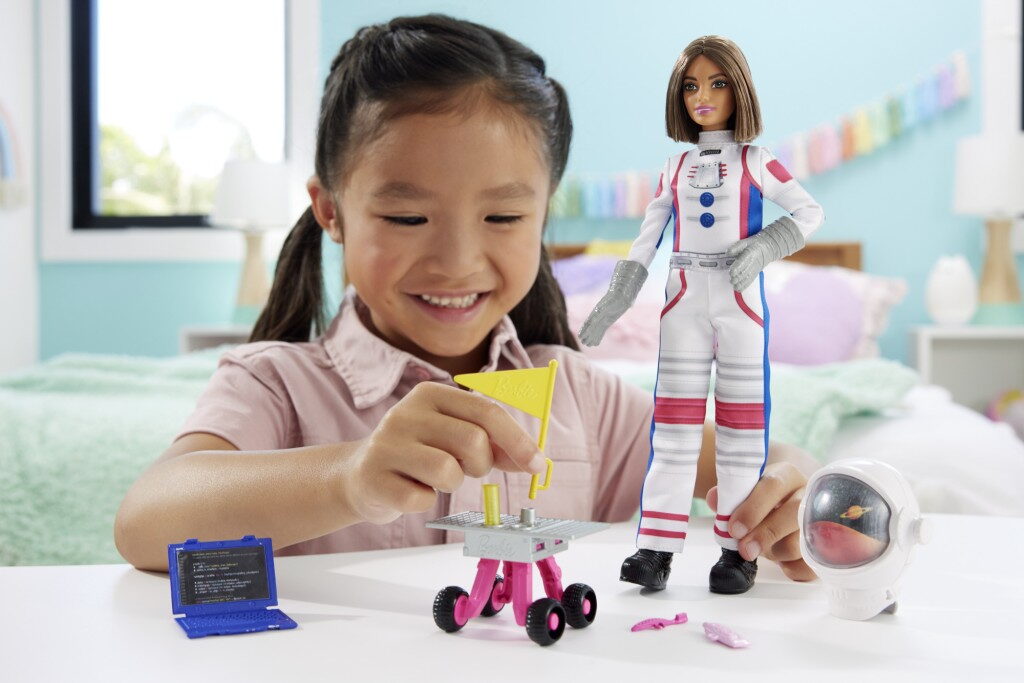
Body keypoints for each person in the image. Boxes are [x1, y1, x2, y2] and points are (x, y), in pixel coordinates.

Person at [114, 16, 818, 586]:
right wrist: (350, 478)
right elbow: (146, 520)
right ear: (331, 211)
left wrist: (790, 485)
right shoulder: (275, 385)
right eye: (407, 217)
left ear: (542, 215)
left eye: (503, 217)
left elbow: (757, 461)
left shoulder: (582, 398)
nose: (456, 261)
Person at [580, 35, 824, 594]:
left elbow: (809, 212)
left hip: (739, 300)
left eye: (717, 84)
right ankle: (655, 548)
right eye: (691, 86)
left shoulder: (758, 162)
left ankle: (736, 553)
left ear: (739, 91)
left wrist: (765, 246)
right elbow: (647, 237)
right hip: (683, 297)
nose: (702, 96)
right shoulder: (674, 168)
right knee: (673, 429)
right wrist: (618, 296)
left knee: (741, 430)